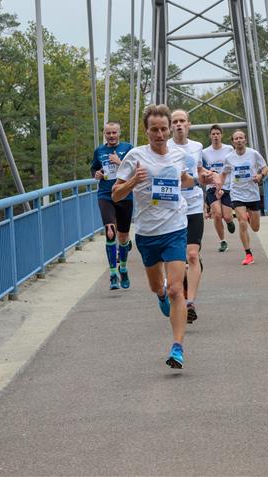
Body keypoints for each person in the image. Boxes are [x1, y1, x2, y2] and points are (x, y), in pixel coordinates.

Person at [113, 104, 199, 369]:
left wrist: (201, 180)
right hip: (147, 232)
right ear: (146, 131)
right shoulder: (135, 156)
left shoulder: (179, 154)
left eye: (164, 129)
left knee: (176, 289)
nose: (160, 135)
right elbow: (115, 194)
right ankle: (160, 295)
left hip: (175, 227)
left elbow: (184, 179)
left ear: (170, 129)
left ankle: (177, 348)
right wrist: (132, 182)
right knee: (157, 287)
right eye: (154, 130)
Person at [167, 109, 215, 324]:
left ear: (189, 124)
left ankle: (189, 303)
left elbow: (199, 169)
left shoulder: (197, 146)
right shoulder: (165, 147)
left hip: (194, 204)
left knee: (193, 255)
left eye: (182, 121)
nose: (179, 124)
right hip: (173, 206)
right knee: (178, 258)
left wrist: (206, 175)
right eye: (175, 121)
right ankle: (180, 290)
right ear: (170, 126)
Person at [91, 122, 134, 290]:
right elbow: (94, 169)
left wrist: (119, 162)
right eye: (108, 133)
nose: (111, 136)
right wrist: (97, 174)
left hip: (124, 195)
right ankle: (113, 274)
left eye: (114, 132)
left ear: (119, 133)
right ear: (104, 134)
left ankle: (123, 268)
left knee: (123, 237)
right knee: (110, 232)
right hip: (105, 195)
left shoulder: (128, 148)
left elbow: (135, 169)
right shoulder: (99, 151)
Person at [217, 129, 268, 266]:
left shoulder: (253, 154)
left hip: (252, 194)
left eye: (241, 138)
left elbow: (265, 168)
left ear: (245, 140)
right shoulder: (229, 158)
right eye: (236, 138)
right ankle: (248, 254)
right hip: (237, 193)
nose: (239, 140)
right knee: (242, 222)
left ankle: (249, 216)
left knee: (255, 228)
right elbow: (224, 174)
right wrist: (219, 188)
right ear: (233, 142)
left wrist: (260, 176)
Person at [202, 124, 236, 252]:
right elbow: (201, 168)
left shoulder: (229, 149)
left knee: (227, 216)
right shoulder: (204, 152)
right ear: (210, 136)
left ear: (221, 135)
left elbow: (234, 164)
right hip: (212, 187)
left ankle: (229, 221)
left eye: (218, 134)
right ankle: (223, 241)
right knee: (217, 214)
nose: (215, 136)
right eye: (213, 134)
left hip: (226, 186)